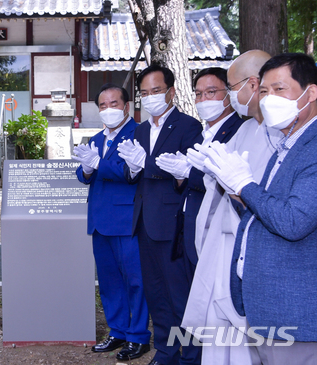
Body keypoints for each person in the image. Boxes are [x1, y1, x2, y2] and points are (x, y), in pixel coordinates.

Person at [200, 53, 317, 364]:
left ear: (311, 93)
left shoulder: (313, 146)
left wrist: (244, 185)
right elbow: (265, 211)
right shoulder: (288, 141)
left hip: (295, 312)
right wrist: (235, 188)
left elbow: (294, 221)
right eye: (263, 91)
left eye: (280, 90)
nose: (269, 100)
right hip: (266, 307)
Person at [181, 50, 282, 365]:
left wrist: (235, 184)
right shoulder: (247, 129)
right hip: (222, 244)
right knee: (220, 331)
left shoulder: (282, 135)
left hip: (250, 248)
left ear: (252, 83)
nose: (231, 94)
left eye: (231, 86)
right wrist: (211, 173)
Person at [117, 64, 202, 365]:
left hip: (172, 224)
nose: (150, 97)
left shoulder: (188, 127)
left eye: (156, 91)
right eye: (144, 93)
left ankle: (191, 356)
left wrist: (147, 165)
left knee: (180, 296)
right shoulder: (140, 128)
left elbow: (188, 175)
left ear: (171, 91)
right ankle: (166, 351)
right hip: (143, 223)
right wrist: (133, 167)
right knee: (156, 295)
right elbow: (133, 173)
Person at [72, 83, 151, 361]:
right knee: (108, 281)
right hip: (99, 219)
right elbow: (85, 175)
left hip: (127, 219)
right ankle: (117, 331)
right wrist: (85, 168)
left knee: (135, 280)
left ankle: (138, 336)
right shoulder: (96, 137)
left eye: (114, 104)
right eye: (103, 106)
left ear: (126, 106)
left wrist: (99, 165)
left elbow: (131, 173)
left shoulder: (140, 133)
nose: (108, 110)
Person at [156, 68, 243, 269]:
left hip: (216, 228)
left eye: (211, 92)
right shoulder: (201, 133)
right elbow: (185, 184)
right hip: (190, 224)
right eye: (198, 94)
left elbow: (228, 183)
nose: (203, 99)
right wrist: (179, 176)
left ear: (229, 94)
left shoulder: (236, 131)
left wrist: (190, 173)